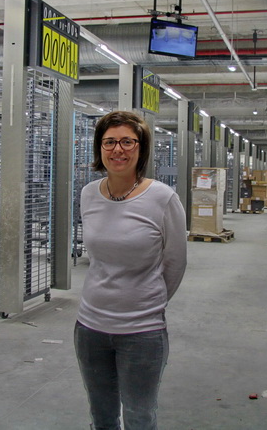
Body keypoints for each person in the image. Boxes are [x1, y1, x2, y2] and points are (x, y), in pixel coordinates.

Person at [75, 110, 187, 430]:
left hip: (142, 331)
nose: (118, 150)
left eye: (127, 141)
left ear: (141, 148)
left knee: (139, 416)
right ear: (99, 148)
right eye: (109, 142)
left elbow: (175, 262)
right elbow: (96, 259)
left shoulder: (162, 198)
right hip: (90, 327)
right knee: (102, 415)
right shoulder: (88, 194)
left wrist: (148, 302)